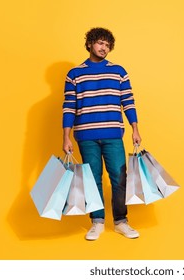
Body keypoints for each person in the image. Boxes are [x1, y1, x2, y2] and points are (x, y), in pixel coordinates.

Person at [62, 27, 141, 240]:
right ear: (89, 44)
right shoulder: (74, 74)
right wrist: (66, 137)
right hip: (85, 135)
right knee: (92, 179)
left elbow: (128, 102)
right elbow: (69, 107)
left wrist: (135, 129)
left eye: (107, 45)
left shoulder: (119, 71)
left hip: (113, 133)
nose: (103, 47)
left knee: (119, 178)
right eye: (100, 43)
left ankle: (121, 222)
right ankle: (97, 222)